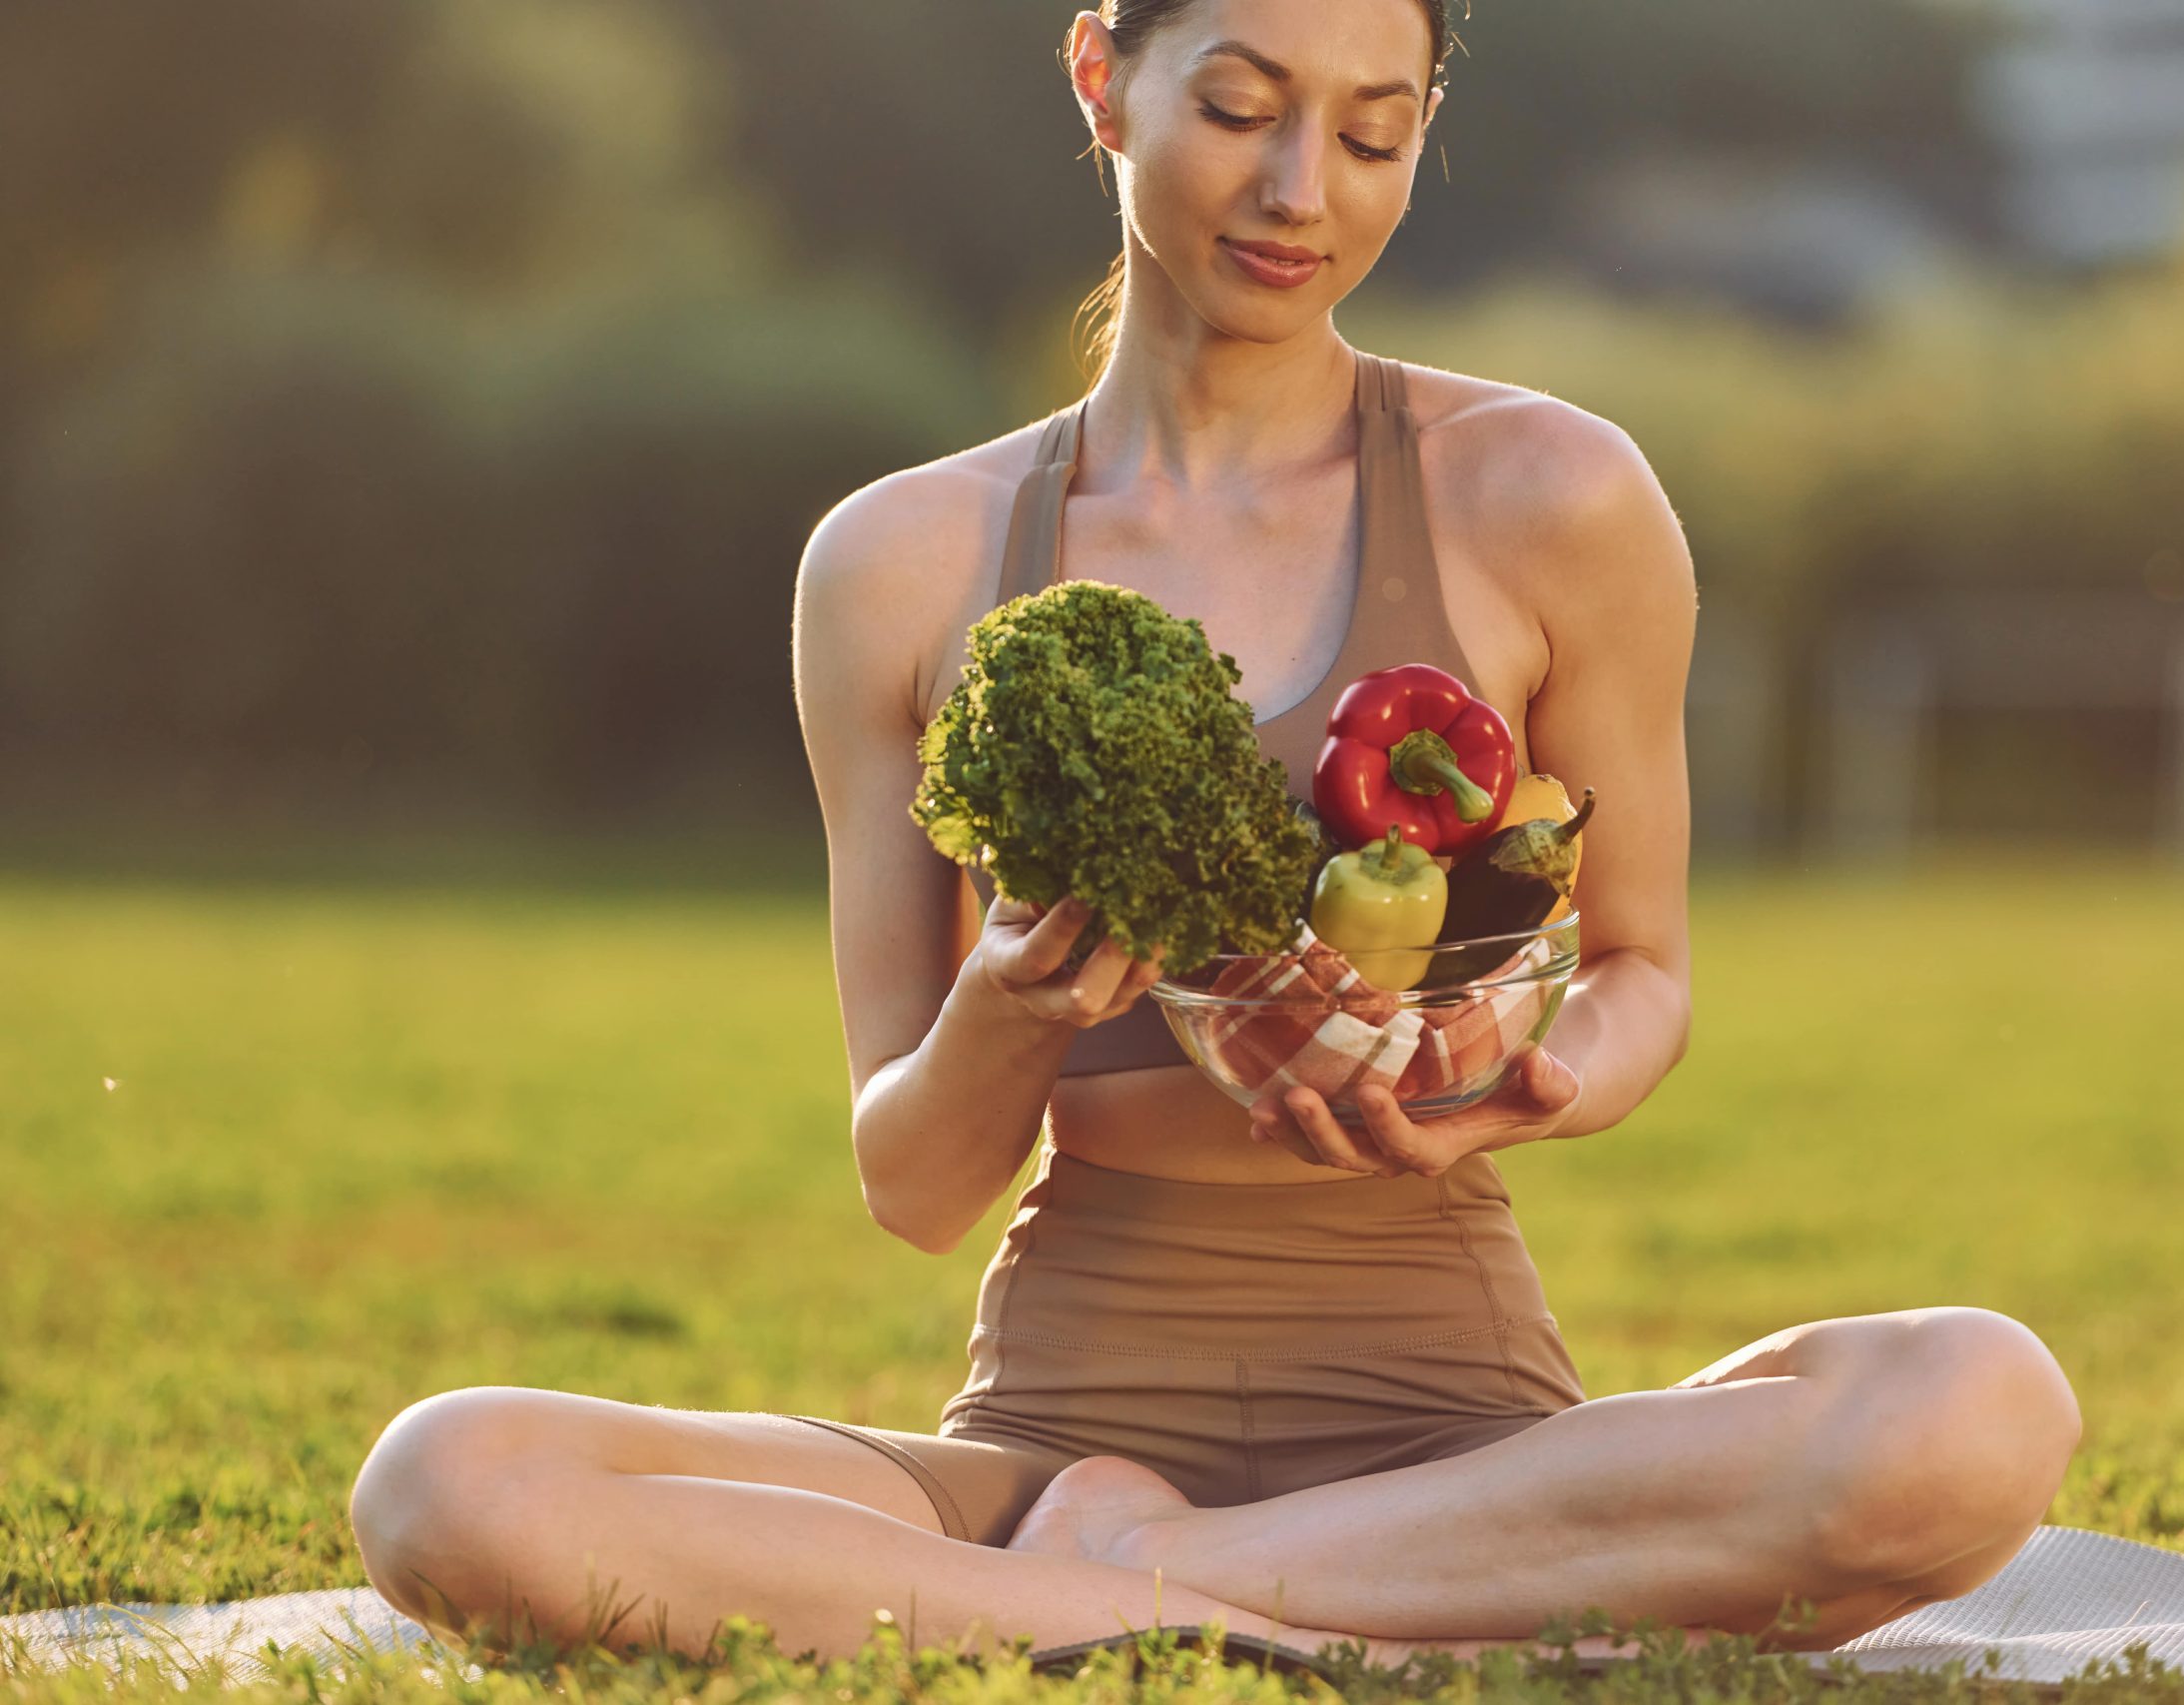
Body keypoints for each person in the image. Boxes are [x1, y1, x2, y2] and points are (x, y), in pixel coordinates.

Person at [347, 0, 2081, 1671]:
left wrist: (1534, 1075)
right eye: (1242, 110)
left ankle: (1149, 1594)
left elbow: (1642, 973)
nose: (1299, 192)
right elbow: (913, 1183)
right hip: (1048, 1445)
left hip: (1463, 1452)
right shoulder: (902, 564)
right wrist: (1011, 1010)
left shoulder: (1551, 497)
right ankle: (1341, 1628)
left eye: (1372, 132)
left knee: (1978, 1408)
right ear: (1105, 81)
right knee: (451, 1482)